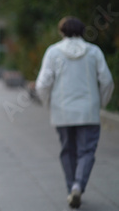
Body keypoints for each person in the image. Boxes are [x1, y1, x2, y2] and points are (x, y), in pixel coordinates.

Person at [35, 16, 114, 209]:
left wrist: (48, 103)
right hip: (88, 112)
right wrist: (101, 103)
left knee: (67, 151)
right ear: (82, 31)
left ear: (61, 32)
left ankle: (72, 188)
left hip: (62, 112)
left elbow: (43, 83)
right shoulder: (94, 52)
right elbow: (107, 81)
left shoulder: (53, 52)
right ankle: (79, 185)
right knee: (87, 151)